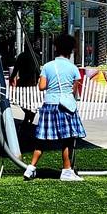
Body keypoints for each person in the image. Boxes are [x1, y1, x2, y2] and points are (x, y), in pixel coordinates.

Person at [22, 32, 86, 182]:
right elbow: (74, 91)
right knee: (68, 139)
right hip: (66, 107)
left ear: (56, 48)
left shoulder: (48, 66)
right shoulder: (73, 69)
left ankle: (31, 168)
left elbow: (42, 86)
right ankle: (66, 170)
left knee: (42, 139)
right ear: (71, 50)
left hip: (49, 105)